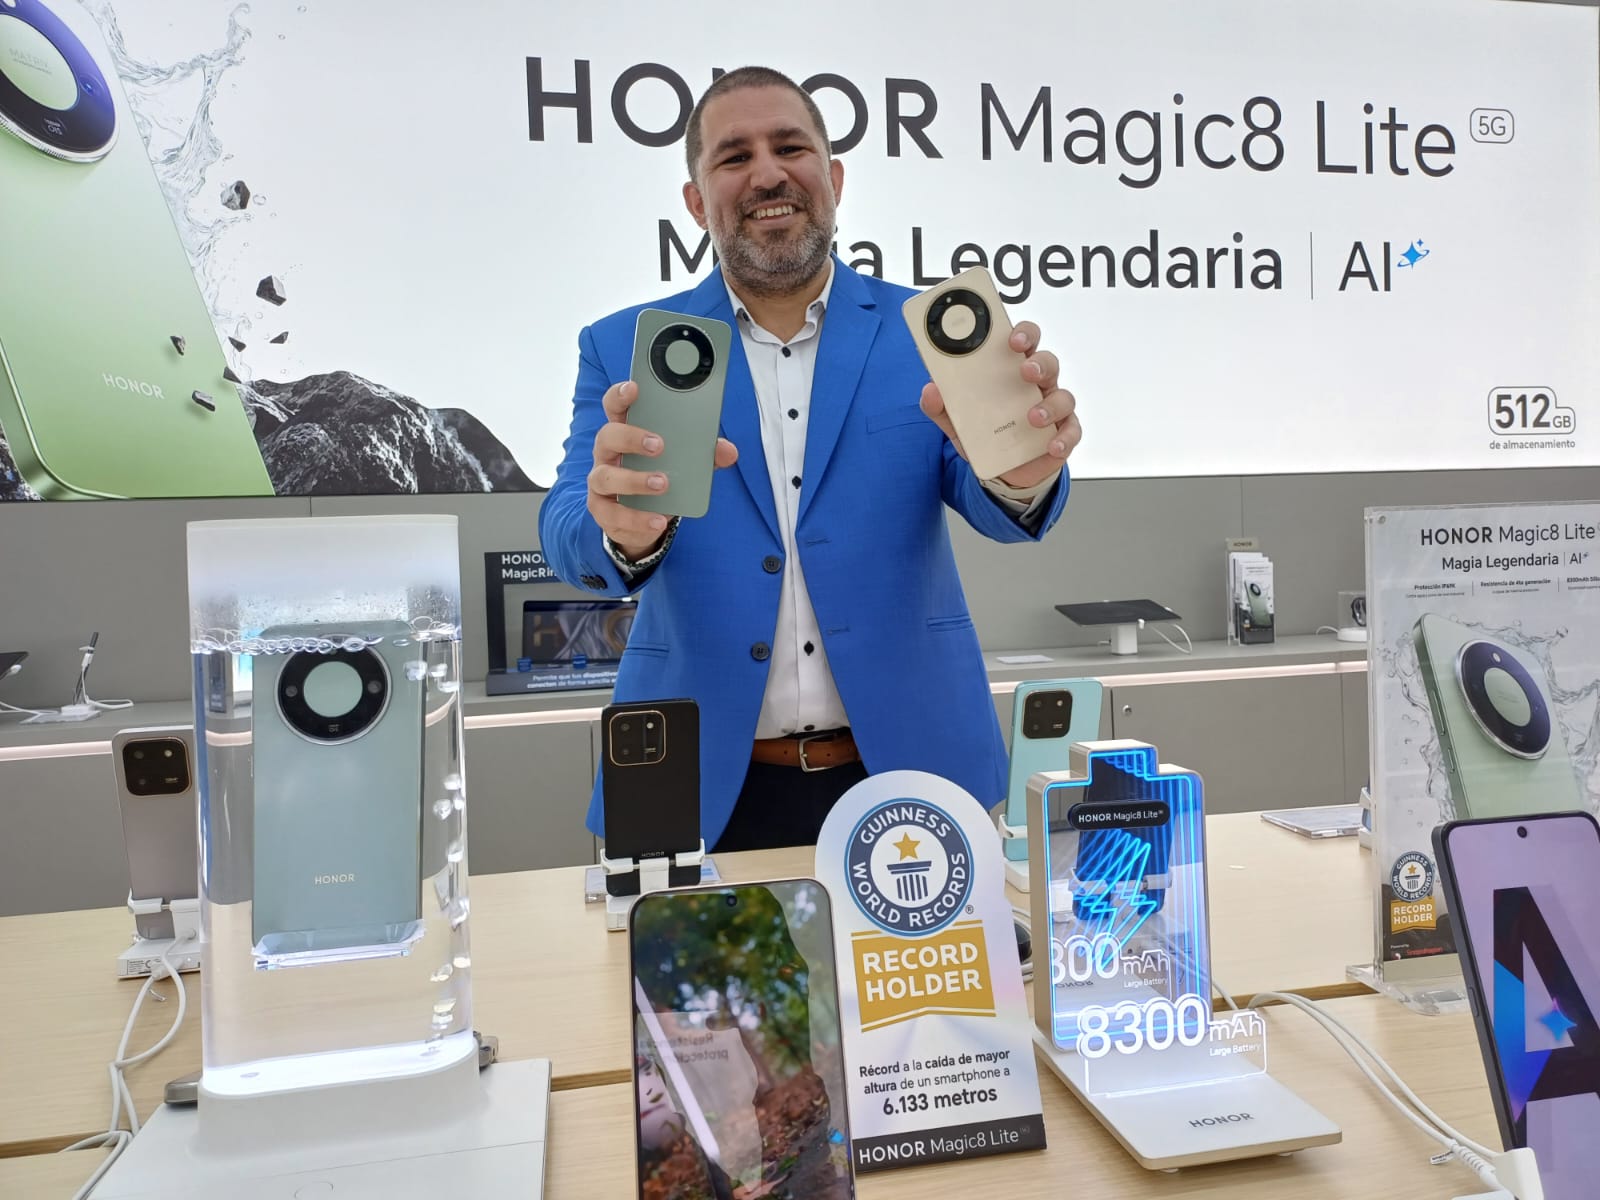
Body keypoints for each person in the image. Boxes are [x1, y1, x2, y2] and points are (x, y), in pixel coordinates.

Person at [539, 66, 1081, 853]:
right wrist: (618, 531)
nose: (767, 174)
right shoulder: (625, 345)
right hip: (696, 784)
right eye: (734, 157)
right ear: (696, 202)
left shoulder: (924, 329)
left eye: (790, 148)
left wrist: (1021, 479)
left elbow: (999, 506)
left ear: (834, 179)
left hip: (914, 771)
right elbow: (566, 524)